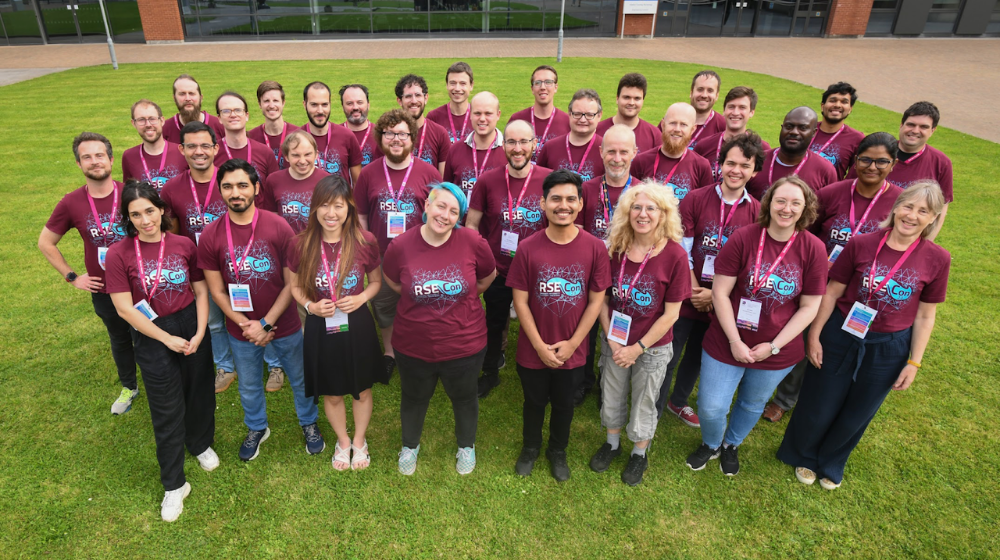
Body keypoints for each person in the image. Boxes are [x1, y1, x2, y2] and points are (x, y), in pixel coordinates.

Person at [777, 181, 950, 490]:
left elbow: (926, 315)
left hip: (888, 346)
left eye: (923, 211)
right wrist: (814, 336)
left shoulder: (937, 259)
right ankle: (802, 453)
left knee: (860, 408)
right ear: (896, 207)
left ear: (933, 218)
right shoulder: (861, 243)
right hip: (841, 332)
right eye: (908, 206)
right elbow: (832, 293)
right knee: (820, 399)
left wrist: (914, 362)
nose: (912, 216)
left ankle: (832, 461)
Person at [685, 176, 826, 477]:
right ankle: (711, 444)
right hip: (727, 340)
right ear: (769, 203)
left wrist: (774, 346)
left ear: (806, 209)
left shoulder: (813, 249)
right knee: (711, 407)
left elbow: (810, 306)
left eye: (795, 203)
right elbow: (720, 292)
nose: (786, 209)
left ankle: (731, 444)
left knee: (752, 403)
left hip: (778, 349)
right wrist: (735, 341)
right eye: (781, 201)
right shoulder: (745, 237)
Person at [762, 132, 904, 423]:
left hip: (864, 290)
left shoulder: (900, 202)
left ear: (893, 164)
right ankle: (782, 396)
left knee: (833, 340)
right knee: (802, 335)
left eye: (881, 162)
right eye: (865, 159)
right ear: (855, 160)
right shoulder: (833, 193)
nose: (872, 167)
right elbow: (803, 232)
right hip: (818, 280)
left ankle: (806, 397)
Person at [198, 159, 325, 461]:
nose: (235, 192)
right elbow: (216, 290)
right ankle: (257, 427)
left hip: (285, 324)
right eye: (227, 186)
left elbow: (290, 283)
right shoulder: (211, 234)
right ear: (220, 191)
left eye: (242, 185)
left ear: (256, 188)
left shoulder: (277, 225)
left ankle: (309, 423)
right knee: (250, 384)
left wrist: (266, 323)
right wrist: (247, 324)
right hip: (241, 330)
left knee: (300, 378)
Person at [104, 182, 217, 522]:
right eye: (135, 214)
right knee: (166, 407)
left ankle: (199, 443)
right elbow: (125, 310)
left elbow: (200, 292)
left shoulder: (183, 244)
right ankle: (174, 484)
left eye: (149, 211)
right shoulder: (119, 253)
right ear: (127, 217)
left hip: (190, 324)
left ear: (162, 210)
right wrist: (166, 340)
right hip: (152, 332)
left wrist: (199, 332)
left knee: (199, 390)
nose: (144, 220)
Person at [382, 183, 497, 475]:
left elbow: (487, 276)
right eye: (441, 206)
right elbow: (395, 282)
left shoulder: (473, 242)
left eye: (454, 211)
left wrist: (467, 295)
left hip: (464, 345)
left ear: (459, 217)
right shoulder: (401, 245)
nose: (445, 215)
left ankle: (466, 446)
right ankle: (409, 446)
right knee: (413, 397)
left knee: (464, 397)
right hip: (413, 344)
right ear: (427, 206)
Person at [507, 169, 612, 481]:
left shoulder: (595, 248)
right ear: (542, 203)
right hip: (532, 349)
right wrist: (539, 346)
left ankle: (558, 450)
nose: (562, 205)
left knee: (565, 404)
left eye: (570, 199)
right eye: (555, 199)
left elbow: (596, 301)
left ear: (580, 204)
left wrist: (573, 344)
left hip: (573, 350)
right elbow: (521, 301)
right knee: (534, 401)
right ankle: (530, 447)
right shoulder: (528, 247)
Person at [657, 133, 764, 428]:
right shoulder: (695, 198)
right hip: (686, 290)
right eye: (730, 163)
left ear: (754, 171)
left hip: (722, 300)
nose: (736, 170)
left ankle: (677, 401)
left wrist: (715, 295)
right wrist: (694, 288)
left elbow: (749, 265)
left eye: (745, 165)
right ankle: (652, 403)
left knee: (697, 355)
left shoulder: (757, 212)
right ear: (720, 165)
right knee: (670, 349)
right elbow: (682, 247)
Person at [591, 181, 691, 486]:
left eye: (651, 208)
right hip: (614, 340)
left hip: (652, 347)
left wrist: (638, 347)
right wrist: (610, 336)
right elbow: (602, 300)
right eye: (636, 207)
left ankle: (638, 453)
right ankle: (611, 444)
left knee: (645, 400)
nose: (643, 214)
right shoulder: (615, 248)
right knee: (612, 393)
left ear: (663, 214)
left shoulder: (674, 255)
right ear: (627, 211)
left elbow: (672, 313)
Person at [289, 175, 386, 471]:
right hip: (322, 326)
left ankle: (359, 440)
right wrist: (310, 306)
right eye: (325, 206)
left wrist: (362, 299)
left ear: (349, 208)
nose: (331, 214)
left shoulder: (365, 240)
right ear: (315, 208)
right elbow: (294, 287)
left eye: (338, 206)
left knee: (362, 389)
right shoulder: (300, 243)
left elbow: (377, 282)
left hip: (358, 326)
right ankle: (342, 441)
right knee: (331, 391)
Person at [39, 132, 138, 415]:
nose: (94, 162)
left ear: (110, 158)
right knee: (120, 338)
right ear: (79, 164)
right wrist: (73, 277)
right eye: (87, 157)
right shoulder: (71, 202)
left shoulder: (131, 193)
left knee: (149, 337)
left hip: (142, 284)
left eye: (99, 155)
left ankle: (163, 383)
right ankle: (129, 387)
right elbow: (46, 242)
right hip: (104, 288)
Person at [466, 120, 551, 398]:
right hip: (497, 269)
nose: (518, 148)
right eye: (511, 142)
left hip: (536, 271)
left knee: (542, 321)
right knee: (494, 321)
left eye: (524, 142)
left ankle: (543, 367)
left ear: (534, 144)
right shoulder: (488, 180)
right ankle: (490, 371)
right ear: (503, 146)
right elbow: (472, 225)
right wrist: (480, 263)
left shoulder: (549, 180)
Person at [354, 109, 442, 377]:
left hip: (420, 254)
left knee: (424, 302)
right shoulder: (369, 173)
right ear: (381, 138)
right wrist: (367, 252)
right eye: (389, 133)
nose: (396, 139)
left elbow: (438, 216)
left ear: (412, 138)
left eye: (402, 134)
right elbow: (361, 215)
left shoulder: (428, 173)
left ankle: (424, 350)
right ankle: (390, 352)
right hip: (381, 255)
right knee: (384, 304)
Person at [574, 124, 639, 407]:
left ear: (634, 153)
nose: (617, 158)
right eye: (610, 151)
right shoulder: (586, 190)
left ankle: (609, 387)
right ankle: (582, 382)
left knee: (620, 333)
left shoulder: (642, 194)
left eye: (623, 151)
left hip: (630, 280)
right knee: (586, 333)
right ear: (600, 152)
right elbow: (574, 234)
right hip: (590, 278)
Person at [858, 101, 952, 241]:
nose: (915, 130)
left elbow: (940, 210)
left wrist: (925, 244)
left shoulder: (941, 163)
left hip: (905, 238)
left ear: (933, 130)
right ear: (901, 125)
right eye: (911, 124)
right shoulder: (877, 152)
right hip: (863, 230)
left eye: (924, 127)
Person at [746, 107, 838, 200]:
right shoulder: (756, 161)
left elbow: (830, 209)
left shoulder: (825, 170)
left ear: (814, 132)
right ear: (782, 128)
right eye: (789, 127)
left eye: (802, 128)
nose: (794, 132)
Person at [632, 103, 714, 202]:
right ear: (663, 125)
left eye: (683, 124)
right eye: (672, 123)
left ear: (693, 129)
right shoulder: (641, 161)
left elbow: (704, 205)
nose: (677, 129)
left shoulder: (701, 166)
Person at [258, 130, 330, 234]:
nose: (302, 161)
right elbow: (271, 217)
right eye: (296, 155)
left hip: (316, 244)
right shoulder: (274, 180)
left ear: (316, 155)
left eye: (308, 154)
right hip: (285, 243)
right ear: (286, 156)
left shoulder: (327, 181)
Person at [693, 86, 770, 182]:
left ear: (751, 112)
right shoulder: (704, 145)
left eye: (742, 107)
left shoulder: (763, 149)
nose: (735, 112)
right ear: (724, 110)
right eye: (731, 107)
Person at [443, 91, 506, 202]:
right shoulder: (455, 150)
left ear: (498, 115)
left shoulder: (508, 151)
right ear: (470, 114)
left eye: (488, 113)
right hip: (462, 219)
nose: (482, 119)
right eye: (477, 113)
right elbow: (447, 192)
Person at [535, 89, 605, 182]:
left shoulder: (607, 150)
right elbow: (538, 182)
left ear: (599, 116)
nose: (583, 120)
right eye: (577, 114)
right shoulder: (550, 148)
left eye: (589, 115)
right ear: (569, 113)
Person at [214, 91, 279, 189]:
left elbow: (275, 189)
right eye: (226, 111)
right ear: (219, 118)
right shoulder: (212, 153)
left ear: (247, 115)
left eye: (238, 110)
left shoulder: (265, 152)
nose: (233, 115)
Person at [302, 81, 363, 186]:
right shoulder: (296, 139)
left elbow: (358, 183)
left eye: (324, 104)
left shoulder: (346, 136)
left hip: (341, 202)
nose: (320, 111)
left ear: (330, 104)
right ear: (305, 105)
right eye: (314, 105)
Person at [121, 99, 188, 191]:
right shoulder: (129, 156)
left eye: (152, 119)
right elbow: (128, 194)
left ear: (162, 120)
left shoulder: (182, 152)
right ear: (134, 123)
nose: (148, 124)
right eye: (141, 120)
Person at [508, 65, 570, 162]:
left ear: (556, 87)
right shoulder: (517, 120)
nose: (543, 87)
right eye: (538, 83)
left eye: (548, 82)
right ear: (532, 88)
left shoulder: (567, 122)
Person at [393, 74, 450, 175]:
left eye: (418, 95)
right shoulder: (391, 135)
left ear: (426, 98)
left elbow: (443, 180)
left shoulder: (440, 134)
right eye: (408, 96)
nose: (414, 101)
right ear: (399, 101)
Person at [595, 73, 662, 154]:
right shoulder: (597, 131)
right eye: (626, 97)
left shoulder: (654, 135)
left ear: (643, 101)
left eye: (637, 98)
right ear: (617, 99)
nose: (631, 103)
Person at [809, 82, 864, 180]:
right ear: (822, 106)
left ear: (850, 109)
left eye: (844, 102)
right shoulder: (806, 129)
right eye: (832, 100)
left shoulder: (857, 139)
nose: (837, 105)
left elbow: (855, 176)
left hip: (827, 194)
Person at [161, 74, 226, 144]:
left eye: (191, 93)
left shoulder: (220, 126)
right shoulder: (164, 129)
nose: (188, 98)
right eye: (182, 94)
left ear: (201, 98)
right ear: (174, 98)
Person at [249, 80, 299, 171]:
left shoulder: (298, 135)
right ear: (260, 104)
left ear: (283, 103)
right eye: (266, 101)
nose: (271, 105)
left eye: (275, 100)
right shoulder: (251, 138)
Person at [426, 61, 475, 144]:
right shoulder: (434, 118)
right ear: (447, 85)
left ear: (471, 85)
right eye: (453, 83)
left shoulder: (479, 117)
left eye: (463, 83)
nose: (457, 88)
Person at [339, 83, 378, 168]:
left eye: (360, 102)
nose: (355, 107)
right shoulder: (335, 135)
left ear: (368, 104)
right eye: (349, 103)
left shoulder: (382, 134)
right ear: (343, 106)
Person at [688, 70, 724, 149]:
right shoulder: (674, 118)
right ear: (691, 93)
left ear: (717, 95)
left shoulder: (723, 126)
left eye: (710, 91)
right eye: (700, 89)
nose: (704, 95)